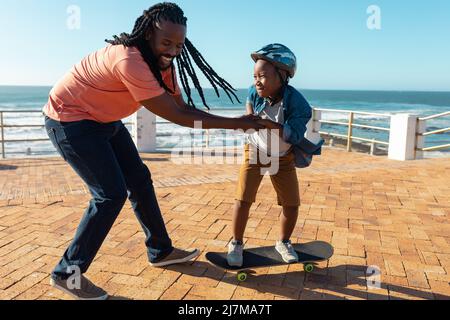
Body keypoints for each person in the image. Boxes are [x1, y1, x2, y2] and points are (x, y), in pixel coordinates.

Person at [43, 2, 265, 300]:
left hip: (104, 119)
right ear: (148, 34)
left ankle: (160, 250)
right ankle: (66, 273)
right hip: (70, 120)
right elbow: (177, 117)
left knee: (139, 180)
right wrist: (238, 124)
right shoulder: (129, 61)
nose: (173, 50)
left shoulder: (163, 64)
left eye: (179, 44)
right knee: (110, 194)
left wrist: (238, 122)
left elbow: (182, 106)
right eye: (167, 42)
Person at [227, 43, 323, 267]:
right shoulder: (254, 90)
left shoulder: (299, 104)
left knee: (291, 203)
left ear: (282, 75)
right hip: (255, 151)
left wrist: (267, 124)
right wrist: (250, 117)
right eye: (254, 76)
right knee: (243, 198)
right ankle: (236, 243)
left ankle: (283, 242)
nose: (256, 81)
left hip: (283, 156)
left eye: (262, 76)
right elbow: (250, 102)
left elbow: (295, 134)